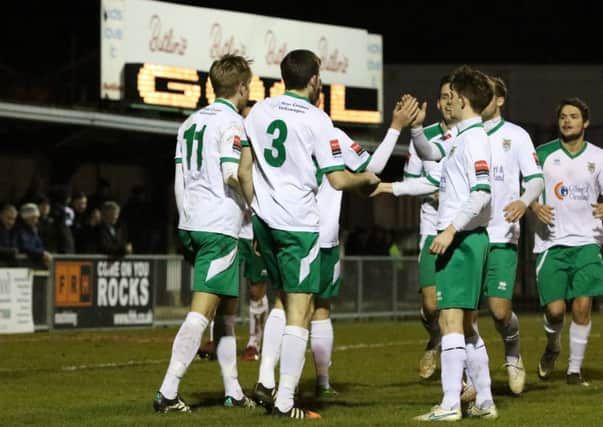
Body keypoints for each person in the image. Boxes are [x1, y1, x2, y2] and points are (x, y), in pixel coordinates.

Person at [239, 49, 380, 419]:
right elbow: (337, 178)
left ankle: (266, 382)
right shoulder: (318, 120)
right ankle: (286, 401)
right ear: (315, 79)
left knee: (281, 302)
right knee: (300, 313)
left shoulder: (258, 112)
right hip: (298, 228)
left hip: (264, 223)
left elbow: (243, 172)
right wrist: (365, 179)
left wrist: (258, 209)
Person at [154, 54, 255, 413]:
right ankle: (167, 391)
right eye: (249, 86)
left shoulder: (189, 123)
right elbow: (232, 172)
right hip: (219, 226)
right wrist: (255, 204)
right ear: (242, 87)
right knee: (203, 312)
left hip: (194, 222)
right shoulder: (233, 124)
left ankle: (234, 391)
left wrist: (184, 220)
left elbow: (179, 179)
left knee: (227, 313)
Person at [408, 65, 496, 421]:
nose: (448, 101)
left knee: (450, 323)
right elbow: (430, 153)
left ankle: (448, 405)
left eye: (451, 95)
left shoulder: (474, 139)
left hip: (461, 240)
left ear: (461, 98)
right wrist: (415, 127)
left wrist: (449, 230)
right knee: (467, 326)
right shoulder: (463, 135)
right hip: (467, 239)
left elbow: (482, 192)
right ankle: (485, 400)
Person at [477, 76, 544, 394]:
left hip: (502, 233)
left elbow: (535, 178)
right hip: (467, 234)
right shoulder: (465, 134)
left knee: (500, 310)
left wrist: (523, 200)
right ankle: (469, 380)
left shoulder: (516, 136)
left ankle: (513, 353)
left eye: (487, 94)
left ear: (500, 100)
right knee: (462, 312)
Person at [531, 97, 603, 386]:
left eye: (574, 116)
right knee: (555, 310)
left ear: (585, 122)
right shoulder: (543, 154)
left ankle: (574, 371)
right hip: (551, 242)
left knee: (582, 306)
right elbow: (524, 186)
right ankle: (553, 346)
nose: (567, 121)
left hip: (588, 240)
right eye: (563, 116)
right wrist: (535, 206)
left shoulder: (598, 156)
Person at [14, 203, 53, 268]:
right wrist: (41, 254)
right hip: (22, 265)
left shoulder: (34, 230)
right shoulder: (19, 230)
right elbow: (24, 247)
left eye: (37, 218)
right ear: (26, 218)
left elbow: (39, 246)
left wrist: (42, 254)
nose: (36, 221)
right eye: (33, 218)